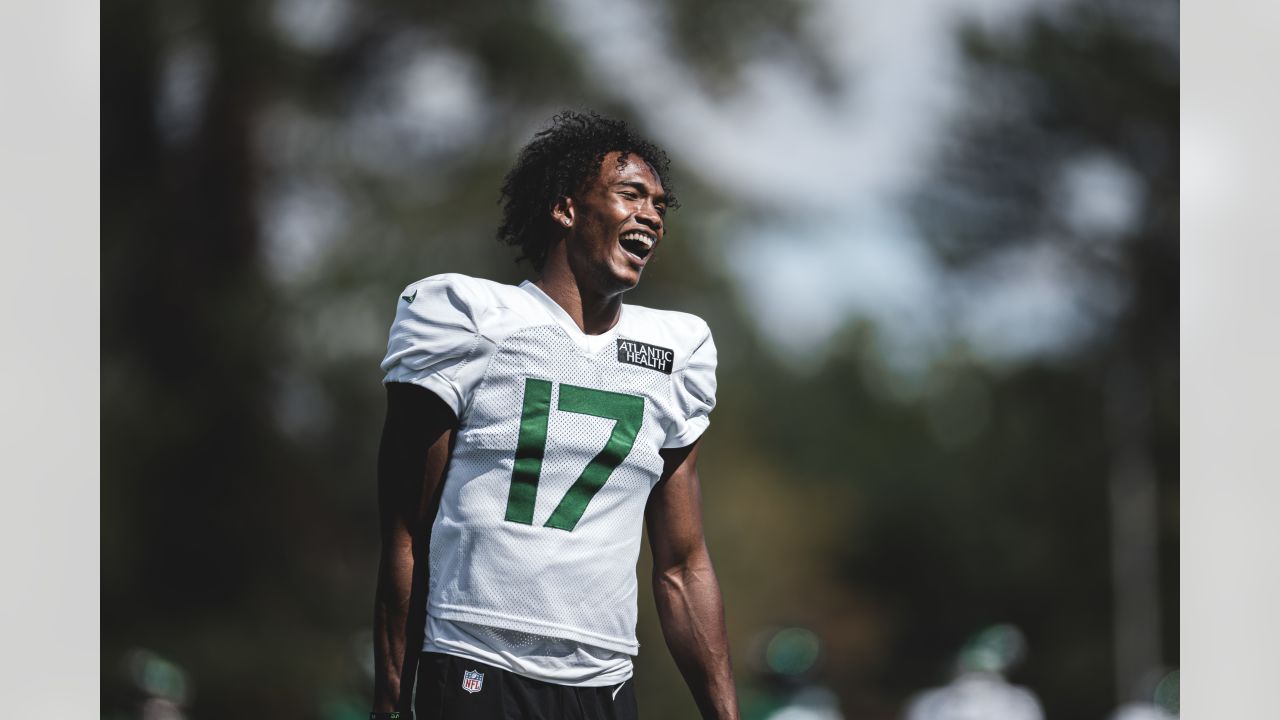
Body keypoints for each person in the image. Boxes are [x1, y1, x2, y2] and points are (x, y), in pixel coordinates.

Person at [370, 110, 739, 720]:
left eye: (660, 204)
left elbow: (681, 564)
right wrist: (390, 697)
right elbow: (407, 529)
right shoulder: (467, 315)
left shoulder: (680, 350)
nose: (651, 214)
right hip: (472, 660)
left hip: (604, 682)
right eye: (631, 194)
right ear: (566, 209)